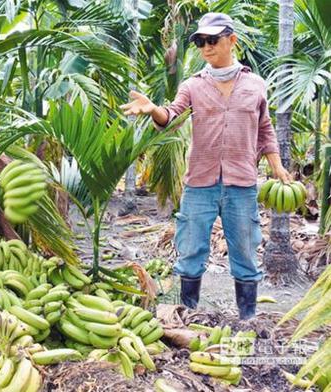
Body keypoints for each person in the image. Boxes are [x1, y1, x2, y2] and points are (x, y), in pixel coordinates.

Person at [120, 12, 292, 320]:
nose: (206, 48)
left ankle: (247, 318)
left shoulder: (256, 85)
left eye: (212, 40)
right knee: (191, 251)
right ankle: (187, 316)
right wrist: (153, 110)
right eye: (200, 41)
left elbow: (264, 129)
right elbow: (171, 116)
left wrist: (277, 167)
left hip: (242, 183)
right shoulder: (192, 86)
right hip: (200, 182)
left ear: (232, 40)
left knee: (245, 254)